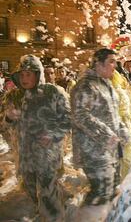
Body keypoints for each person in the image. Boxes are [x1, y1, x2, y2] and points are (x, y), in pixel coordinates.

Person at [5, 55, 71, 221]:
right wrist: (9, 118)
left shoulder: (52, 92)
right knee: (32, 190)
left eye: (29, 74)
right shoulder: (14, 96)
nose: (25, 78)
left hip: (47, 156)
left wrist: (53, 135)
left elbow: (69, 118)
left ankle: (54, 215)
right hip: (25, 157)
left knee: (47, 195)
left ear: (38, 74)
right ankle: (52, 208)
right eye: (22, 74)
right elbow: (3, 125)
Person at [71, 48, 131, 206]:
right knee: (101, 193)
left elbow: (113, 115)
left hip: (110, 150)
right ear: (98, 63)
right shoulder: (86, 86)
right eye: (111, 61)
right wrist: (107, 135)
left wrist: (123, 131)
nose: (115, 66)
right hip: (93, 151)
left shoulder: (106, 84)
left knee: (111, 190)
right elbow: (80, 116)